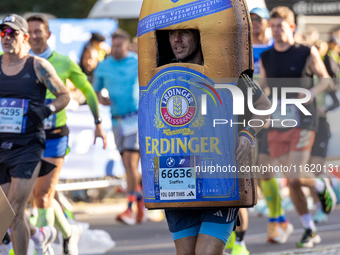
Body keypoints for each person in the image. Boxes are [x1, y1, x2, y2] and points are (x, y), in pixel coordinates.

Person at [165, 29, 271, 255]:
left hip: (221, 179)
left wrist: (247, 133)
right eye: (172, 34)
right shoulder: (162, 73)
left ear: (199, 35)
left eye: (184, 33)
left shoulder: (231, 71)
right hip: (179, 180)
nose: (177, 39)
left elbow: (264, 107)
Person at [26, 14, 107, 255]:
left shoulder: (62, 62)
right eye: (29, 31)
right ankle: (70, 233)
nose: (34, 36)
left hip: (55, 137)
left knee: (42, 197)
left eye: (39, 31)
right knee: (40, 197)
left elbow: (88, 91)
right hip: (28, 137)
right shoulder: (18, 62)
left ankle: (42, 249)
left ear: (48, 34)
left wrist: (98, 122)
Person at [259, 6, 337, 248]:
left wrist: (310, 93)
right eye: (272, 26)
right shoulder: (266, 57)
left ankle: (322, 188)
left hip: (304, 122)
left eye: (280, 26)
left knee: (294, 177)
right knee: (292, 181)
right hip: (278, 124)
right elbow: (263, 87)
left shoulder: (306, 51)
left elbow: (326, 80)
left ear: (291, 27)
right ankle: (309, 228)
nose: (276, 30)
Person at [0, 14, 70, 255]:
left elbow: (64, 95)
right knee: (6, 214)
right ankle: (41, 234)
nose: (6, 38)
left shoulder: (38, 65)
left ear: (25, 37)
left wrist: (45, 110)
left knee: (12, 209)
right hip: (1, 145)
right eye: (2, 33)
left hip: (28, 146)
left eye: (12, 34)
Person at [93, 28, 146, 225]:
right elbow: (96, 91)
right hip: (116, 120)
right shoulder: (103, 66)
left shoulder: (136, 61)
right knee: (128, 166)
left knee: (131, 164)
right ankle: (141, 198)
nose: (115, 49)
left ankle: (129, 208)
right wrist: (102, 99)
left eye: (119, 45)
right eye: (113, 46)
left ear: (126, 45)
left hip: (136, 117)